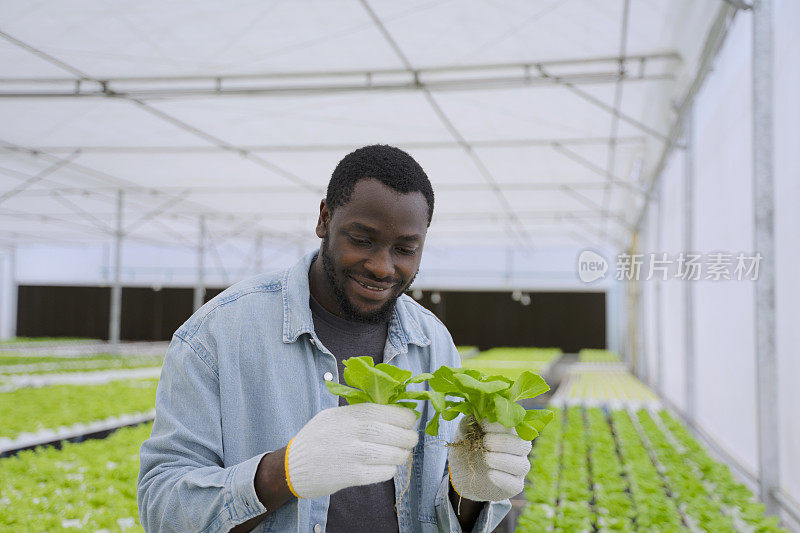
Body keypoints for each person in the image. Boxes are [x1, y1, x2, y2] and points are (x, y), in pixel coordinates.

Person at [137, 145, 532, 532]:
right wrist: (285, 472)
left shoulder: (433, 343)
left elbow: (444, 517)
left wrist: (471, 490)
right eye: (362, 240)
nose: (382, 266)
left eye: (405, 249)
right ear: (325, 218)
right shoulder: (217, 334)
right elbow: (162, 508)